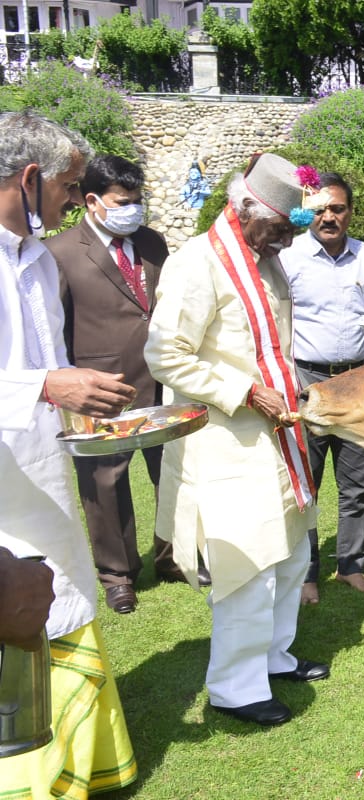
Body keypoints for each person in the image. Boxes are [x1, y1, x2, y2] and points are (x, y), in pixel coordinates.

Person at [145, 153, 329, 727]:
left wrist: (289, 389)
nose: (286, 242)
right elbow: (165, 354)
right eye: (279, 229)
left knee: (293, 555)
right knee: (247, 563)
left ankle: (274, 656)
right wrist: (247, 392)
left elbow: (272, 345)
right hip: (226, 437)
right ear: (245, 209)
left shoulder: (264, 257)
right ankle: (234, 687)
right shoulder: (196, 263)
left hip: (278, 437)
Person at [0, 110, 138, 796]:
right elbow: (36, 374)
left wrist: (76, 405)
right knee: (19, 611)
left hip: (43, 471)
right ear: (29, 178)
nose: (71, 200)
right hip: (2, 493)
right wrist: (47, 384)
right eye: (67, 185)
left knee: (66, 601)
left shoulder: (31, 256)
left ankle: (80, 767)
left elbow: (45, 362)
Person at [47, 154, 206, 616]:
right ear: (92, 201)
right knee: (105, 484)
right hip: (99, 386)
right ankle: (117, 575)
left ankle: (173, 555)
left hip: (160, 383)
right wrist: (67, 386)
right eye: (123, 202)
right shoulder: (60, 252)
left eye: (138, 201)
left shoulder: (153, 242)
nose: (132, 210)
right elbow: (57, 328)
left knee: (172, 475)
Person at [280, 173, 364, 604]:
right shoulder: (288, 257)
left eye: (338, 209)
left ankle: (350, 565)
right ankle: (306, 572)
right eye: (320, 209)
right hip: (306, 383)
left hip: (357, 383)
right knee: (304, 487)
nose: (329, 217)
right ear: (307, 210)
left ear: (350, 212)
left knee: (356, 484)